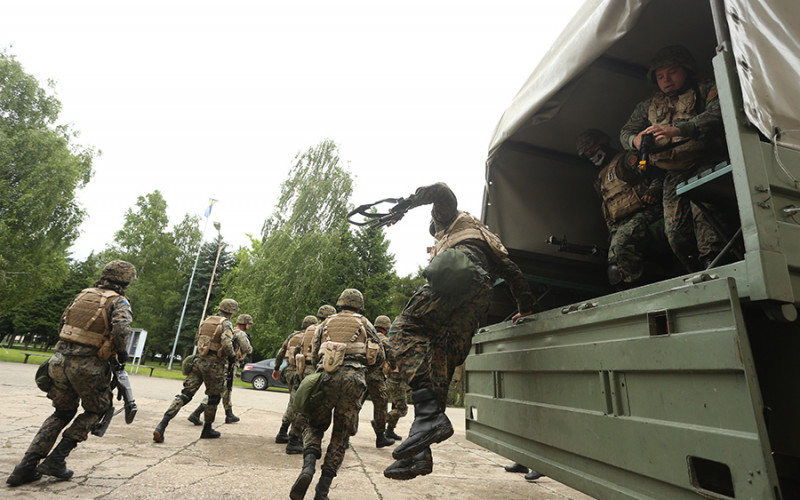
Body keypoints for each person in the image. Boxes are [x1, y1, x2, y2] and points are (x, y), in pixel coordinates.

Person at [382, 182, 535, 480]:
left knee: (401, 332)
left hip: (457, 276)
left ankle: (430, 424)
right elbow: (514, 274)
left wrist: (406, 204)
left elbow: (440, 191)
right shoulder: (488, 240)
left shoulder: (450, 218)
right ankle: (418, 454)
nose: (437, 233)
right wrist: (526, 305)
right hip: (478, 299)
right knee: (437, 369)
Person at [7, 260, 136, 486]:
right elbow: (122, 330)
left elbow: (61, 325)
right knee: (98, 408)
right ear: (125, 280)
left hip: (58, 361)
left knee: (62, 412)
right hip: (88, 366)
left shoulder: (83, 295)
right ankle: (57, 459)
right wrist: (121, 352)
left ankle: (26, 466)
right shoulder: (119, 301)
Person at [620, 45, 729, 272]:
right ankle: (696, 272)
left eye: (672, 73)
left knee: (707, 225)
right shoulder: (648, 105)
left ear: (686, 70)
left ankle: (717, 268)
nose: (666, 80)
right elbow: (625, 131)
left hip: (705, 164)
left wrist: (678, 129)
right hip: (674, 174)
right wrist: (635, 140)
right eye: (660, 76)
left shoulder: (705, 88)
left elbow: (718, 114)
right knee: (677, 236)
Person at [290, 289, 385, 500]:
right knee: (340, 436)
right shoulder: (365, 323)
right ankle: (322, 490)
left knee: (314, 426)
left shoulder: (325, 324)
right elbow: (380, 356)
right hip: (353, 381)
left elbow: (314, 353)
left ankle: (307, 469)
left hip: (326, 377)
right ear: (359, 304)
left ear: (340, 303)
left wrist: (324, 369)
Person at [576, 129, 664, 287]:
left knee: (622, 244)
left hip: (646, 213)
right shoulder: (600, 178)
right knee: (614, 265)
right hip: (622, 223)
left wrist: (654, 189)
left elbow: (656, 170)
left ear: (603, 144)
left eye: (592, 149)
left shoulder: (626, 159)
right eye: (587, 153)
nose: (591, 155)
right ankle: (629, 292)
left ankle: (638, 290)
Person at [153, 298, 239, 443]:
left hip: (198, 362)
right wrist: (233, 357)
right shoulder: (226, 324)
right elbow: (226, 343)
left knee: (185, 394)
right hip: (214, 365)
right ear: (232, 311)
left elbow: (196, 340)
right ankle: (207, 429)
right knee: (213, 398)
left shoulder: (206, 321)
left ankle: (162, 425)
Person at [187, 313, 253, 425]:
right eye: (249, 324)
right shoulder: (241, 334)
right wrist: (249, 346)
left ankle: (229, 414)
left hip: (223, 362)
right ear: (246, 324)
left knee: (226, 390)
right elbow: (247, 348)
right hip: (230, 364)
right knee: (220, 390)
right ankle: (196, 413)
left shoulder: (231, 330)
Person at [286, 305, 336, 451]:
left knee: (300, 404)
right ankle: (296, 440)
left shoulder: (309, 330)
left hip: (302, 369)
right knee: (313, 408)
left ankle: (294, 437)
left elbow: (297, 350)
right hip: (315, 371)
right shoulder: (327, 329)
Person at [273, 314, 319, 454]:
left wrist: (276, 368)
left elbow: (281, 353)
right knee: (299, 404)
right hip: (302, 371)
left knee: (294, 401)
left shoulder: (293, 336)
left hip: (290, 371)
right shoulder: (314, 335)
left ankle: (284, 431)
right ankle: (292, 436)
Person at [362, 315, 395, 448]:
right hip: (376, 379)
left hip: (361, 376)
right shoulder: (384, 340)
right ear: (386, 328)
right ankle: (380, 437)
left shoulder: (365, 337)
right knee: (381, 406)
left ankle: (345, 438)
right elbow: (392, 357)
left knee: (353, 406)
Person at [375, 314, 406, 442]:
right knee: (401, 408)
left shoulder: (368, 336)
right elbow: (392, 357)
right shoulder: (386, 341)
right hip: (384, 377)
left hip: (363, 373)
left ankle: (389, 430)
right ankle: (381, 422)